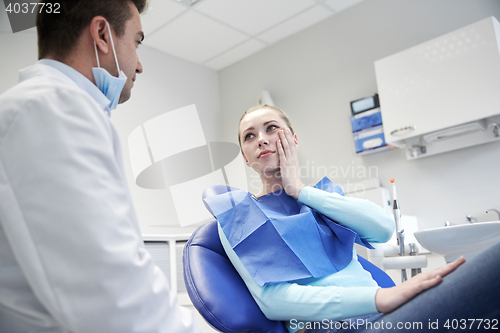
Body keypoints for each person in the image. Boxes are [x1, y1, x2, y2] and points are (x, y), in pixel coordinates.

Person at [205, 104, 500, 333]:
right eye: (250, 136)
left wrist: (299, 190)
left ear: (294, 140)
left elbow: (382, 228)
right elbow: (273, 300)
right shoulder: (238, 217)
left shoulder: (321, 199)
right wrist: (379, 298)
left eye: (271, 128)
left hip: (383, 314)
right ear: (245, 156)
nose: (262, 140)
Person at [0, 1, 199, 332]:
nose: (139, 65)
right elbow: (115, 300)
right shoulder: (52, 108)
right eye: (137, 42)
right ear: (102, 35)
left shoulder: (47, 107)